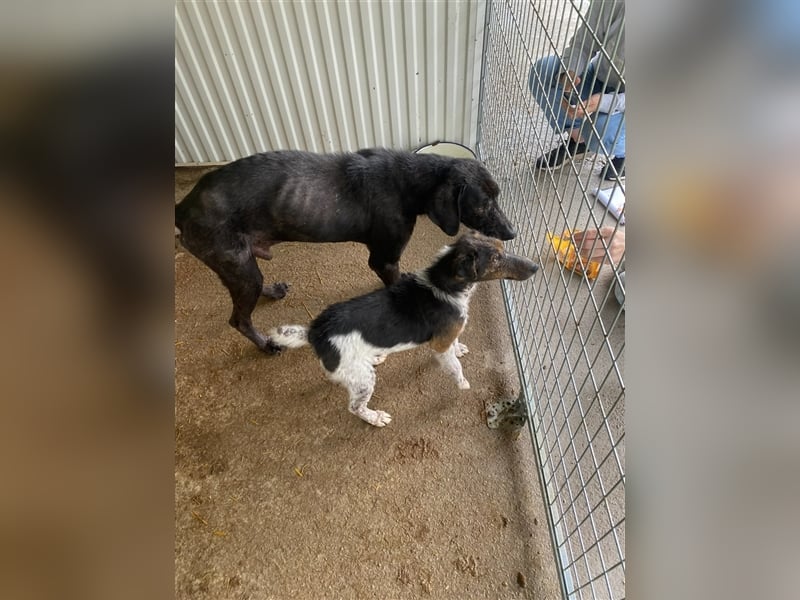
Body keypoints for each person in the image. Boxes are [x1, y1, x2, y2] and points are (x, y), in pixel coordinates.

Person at [529, 0, 625, 180]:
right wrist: (569, 73)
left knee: (602, 131)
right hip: (603, 76)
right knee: (546, 72)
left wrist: (603, 102)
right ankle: (579, 141)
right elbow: (584, 42)